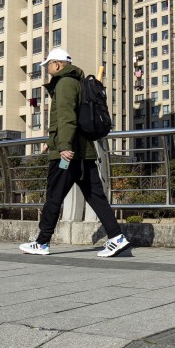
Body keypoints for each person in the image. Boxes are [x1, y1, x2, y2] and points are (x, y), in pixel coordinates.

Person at [19, 47, 130, 258]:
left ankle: (42, 242)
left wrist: (63, 146)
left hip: (68, 155)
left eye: (49, 65)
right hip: (84, 152)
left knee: (54, 196)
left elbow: (66, 118)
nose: (47, 69)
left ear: (58, 64)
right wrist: (53, 142)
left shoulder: (65, 84)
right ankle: (117, 238)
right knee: (95, 196)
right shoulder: (78, 82)